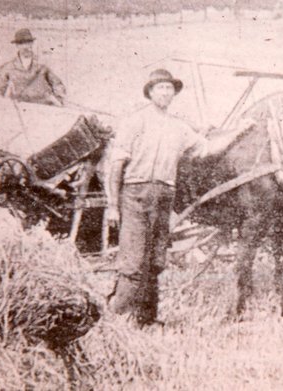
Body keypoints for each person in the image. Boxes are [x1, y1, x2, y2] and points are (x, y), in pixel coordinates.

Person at [104, 68, 254, 327]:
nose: (165, 92)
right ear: (150, 92)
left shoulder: (178, 127)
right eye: (160, 88)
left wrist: (239, 131)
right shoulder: (134, 122)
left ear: (173, 93)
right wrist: (113, 206)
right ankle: (116, 320)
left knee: (156, 259)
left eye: (169, 88)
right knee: (133, 260)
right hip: (136, 194)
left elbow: (206, 148)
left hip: (164, 196)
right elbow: (115, 166)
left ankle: (147, 319)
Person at [0, 28, 66, 106]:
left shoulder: (42, 65)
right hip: (19, 108)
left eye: (28, 43)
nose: (25, 47)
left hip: (42, 106)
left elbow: (57, 84)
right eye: (21, 43)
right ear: (17, 45)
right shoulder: (9, 67)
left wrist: (58, 99)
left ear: (32, 44)